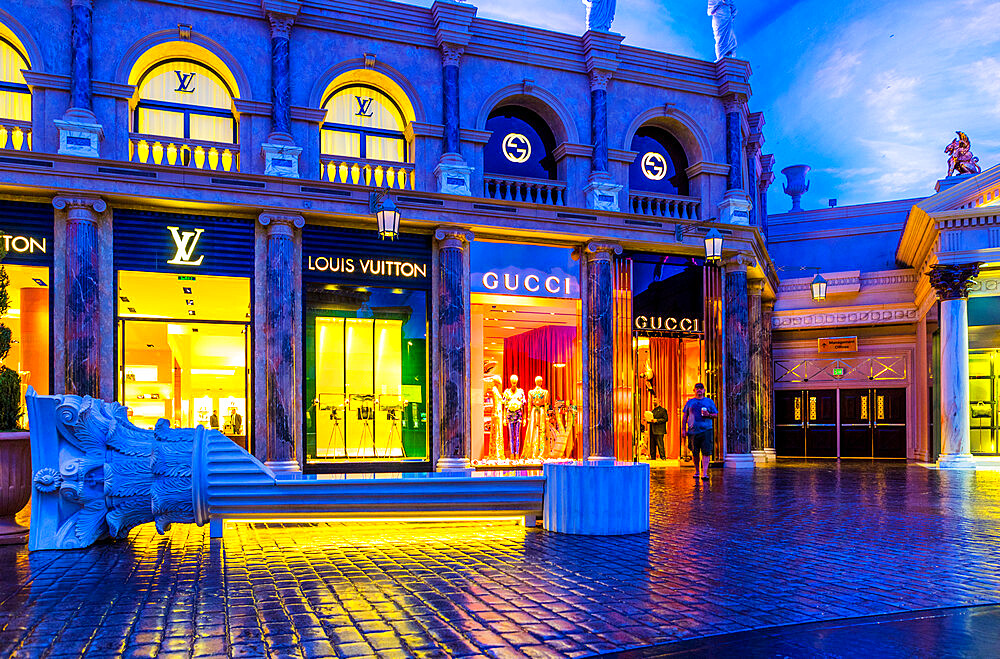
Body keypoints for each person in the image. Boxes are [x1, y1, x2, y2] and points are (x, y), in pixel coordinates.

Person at [682, 382, 718, 480]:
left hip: (706, 430)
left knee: (706, 452)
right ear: (694, 390)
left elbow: (715, 415)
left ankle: (705, 473)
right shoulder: (690, 402)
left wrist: (708, 415)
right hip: (693, 431)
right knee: (695, 452)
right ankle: (697, 471)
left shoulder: (709, 402)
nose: (699, 390)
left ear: (704, 390)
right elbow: (685, 416)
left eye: (701, 388)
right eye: (697, 388)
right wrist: (683, 429)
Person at [647, 395, 668, 461]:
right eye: (653, 400)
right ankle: (653, 457)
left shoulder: (663, 410)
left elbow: (665, 419)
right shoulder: (652, 411)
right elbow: (651, 419)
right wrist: (647, 420)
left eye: (655, 400)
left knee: (660, 444)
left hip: (659, 430)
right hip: (652, 429)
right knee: (652, 444)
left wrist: (657, 420)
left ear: (659, 401)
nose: (654, 401)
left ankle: (663, 457)